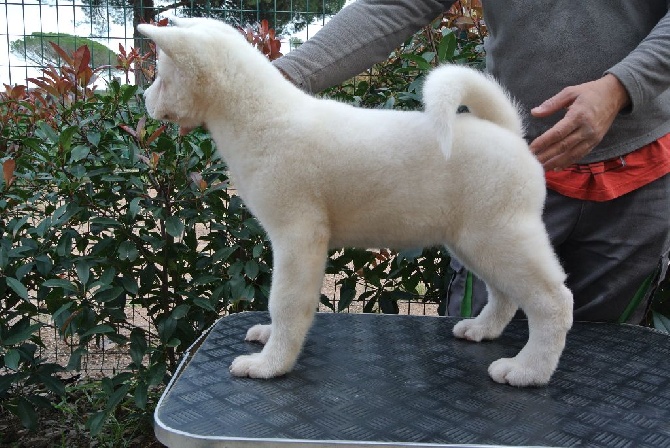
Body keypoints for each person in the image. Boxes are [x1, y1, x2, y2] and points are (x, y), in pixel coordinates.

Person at [272, 0, 670, 323]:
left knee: (605, 364)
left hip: (639, 176)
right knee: (474, 363)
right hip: (501, 169)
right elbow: (395, 4)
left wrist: (622, 86)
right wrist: (275, 79)